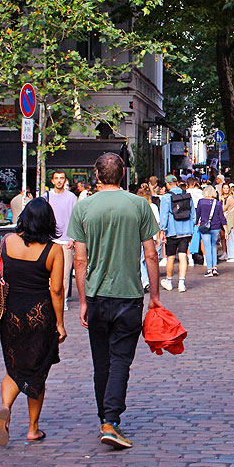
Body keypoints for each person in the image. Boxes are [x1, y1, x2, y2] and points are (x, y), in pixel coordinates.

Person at [67, 152, 162, 450]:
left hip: (96, 295)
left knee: (101, 361)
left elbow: (79, 260)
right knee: (121, 359)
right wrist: (155, 297)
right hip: (129, 295)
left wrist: (82, 300)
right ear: (123, 176)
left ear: (96, 175)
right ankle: (111, 420)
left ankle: (104, 419)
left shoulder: (84, 208)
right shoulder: (139, 205)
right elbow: (150, 253)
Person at [0, 198, 67, 447]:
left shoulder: (7, 242)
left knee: (13, 367)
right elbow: (56, 290)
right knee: (36, 372)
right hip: (39, 315)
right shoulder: (53, 250)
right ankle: (33, 429)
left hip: (11, 314)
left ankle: (5, 407)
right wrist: (60, 324)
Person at [45, 170, 78, 310]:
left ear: (65, 181)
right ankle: (50, 297)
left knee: (65, 273)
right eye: (56, 178)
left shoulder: (71, 198)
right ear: (52, 181)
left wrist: (73, 238)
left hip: (66, 241)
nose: (59, 181)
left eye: (62, 178)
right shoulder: (46, 197)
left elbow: (75, 218)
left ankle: (62, 299)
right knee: (48, 273)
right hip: (50, 240)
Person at [158, 175, 195, 292]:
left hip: (172, 231)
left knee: (171, 256)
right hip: (186, 230)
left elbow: (163, 216)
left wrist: (162, 230)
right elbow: (193, 214)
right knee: (183, 255)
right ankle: (181, 283)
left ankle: (169, 281)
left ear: (168, 184)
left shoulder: (166, 198)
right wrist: (191, 226)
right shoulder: (187, 195)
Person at [136, 185, 165, 289]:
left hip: (140, 236)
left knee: (141, 259)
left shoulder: (137, 207)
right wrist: (158, 237)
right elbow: (157, 223)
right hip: (151, 236)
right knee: (149, 258)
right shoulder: (153, 207)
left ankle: (145, 280)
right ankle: (148, 279)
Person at [196, 185, 227, 277]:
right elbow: (222, 217)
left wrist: (196, 222)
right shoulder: (217, 203)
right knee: (214, 246)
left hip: (205, 226)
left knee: (207, 247)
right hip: (216, 227)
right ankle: (214, 268)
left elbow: (198, 214)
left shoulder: (201, 202)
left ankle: (209, 269)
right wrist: (225, 229)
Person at [220, 183, 234, 262]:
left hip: (230, 218)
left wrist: (222, 201)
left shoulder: (229, 198)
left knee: (231, 237)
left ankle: (233, 256)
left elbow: (224, 209)